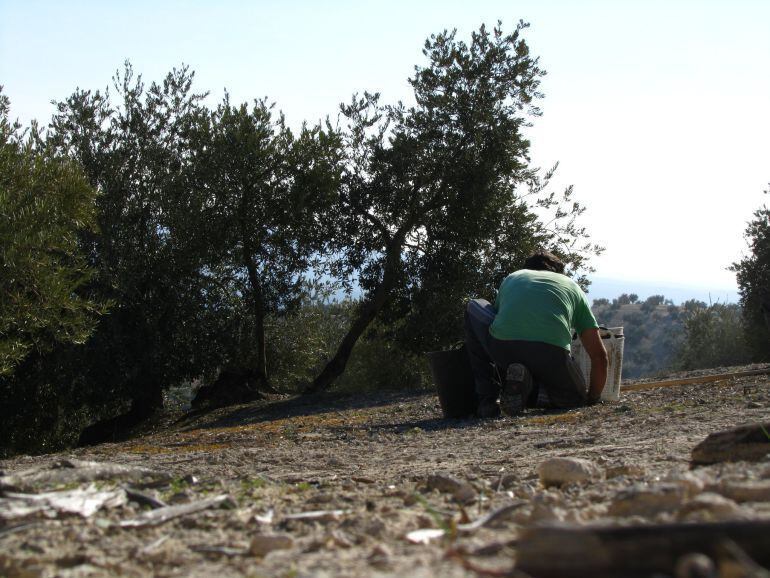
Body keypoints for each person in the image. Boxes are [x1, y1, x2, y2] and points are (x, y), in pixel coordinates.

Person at [464, 250, 608, 418]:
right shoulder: (572, 286)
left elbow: (498, 318)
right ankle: (535, 392)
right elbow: (599, 357)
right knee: (574, 398)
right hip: (551, 354)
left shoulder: (514, 277)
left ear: (527, 268)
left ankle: (488, 400)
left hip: (503, 349)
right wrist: (593, 398)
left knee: (474, 305)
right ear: (558, 272)